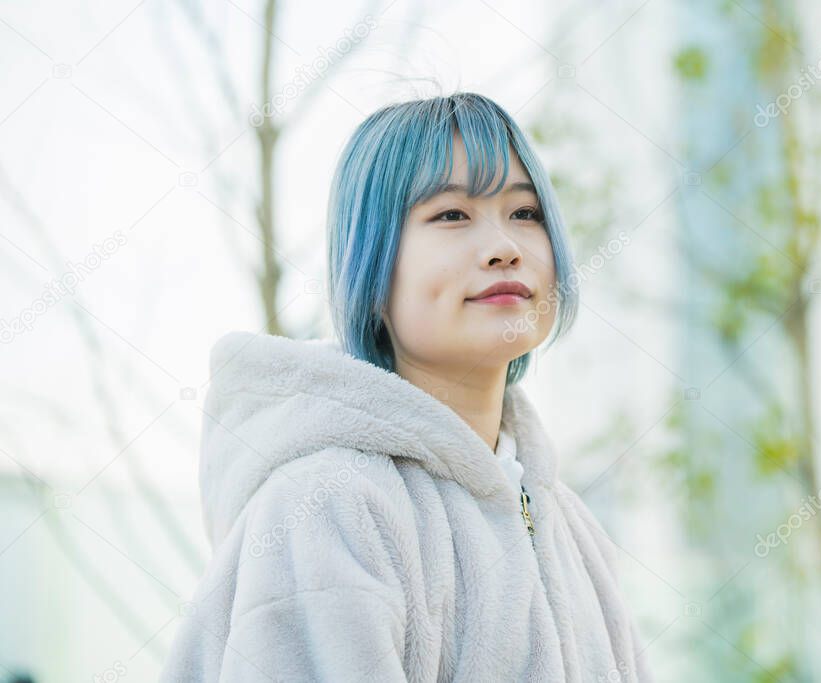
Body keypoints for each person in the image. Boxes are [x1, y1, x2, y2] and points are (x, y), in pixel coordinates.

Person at [160, 91, 652, 682]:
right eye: (451, 215)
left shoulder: (571, 526)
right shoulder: (329, 504)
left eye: (526, 213)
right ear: (372, 262)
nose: (505, 248)